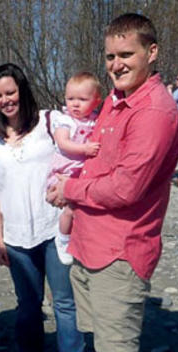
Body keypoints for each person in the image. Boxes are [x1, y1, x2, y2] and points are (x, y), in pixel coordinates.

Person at [48, 14, 178, 352]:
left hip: (119, 252)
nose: (116, 65)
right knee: (105, 347)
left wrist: (69, 189)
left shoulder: (153, 110)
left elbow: (127, 187)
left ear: (151, 52)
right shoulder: (115, 99)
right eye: (110, 57)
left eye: (126, 54)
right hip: (89, 244)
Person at [0, 63, 83, 352]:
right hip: (16, 238)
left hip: (54, 230)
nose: (6, 99)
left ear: (22, 90)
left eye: (10, 91)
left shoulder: (50, 122)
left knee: (64, 303)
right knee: (27, 307)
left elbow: (81, 152)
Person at [45, 72, 102, 264]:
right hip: (65, 170)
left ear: (96, 101)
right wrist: (84, 148)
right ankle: (62, 239)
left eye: (82, 99)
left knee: (82, 209)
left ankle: (78, 238)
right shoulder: (66, 120)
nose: (75, 104)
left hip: (81, 173)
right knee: (69, 209)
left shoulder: (96, 120)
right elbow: (62, 143)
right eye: (70, 99)